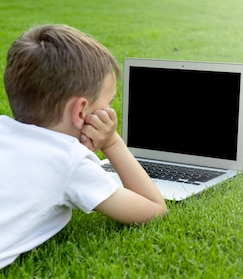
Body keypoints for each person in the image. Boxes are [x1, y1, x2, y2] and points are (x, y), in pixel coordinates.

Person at [0, 24, 167, 269]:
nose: (110, 111)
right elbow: (154, 209)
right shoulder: (70, 162)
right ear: (80, 111)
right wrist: (112, 142)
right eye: (107, 103)